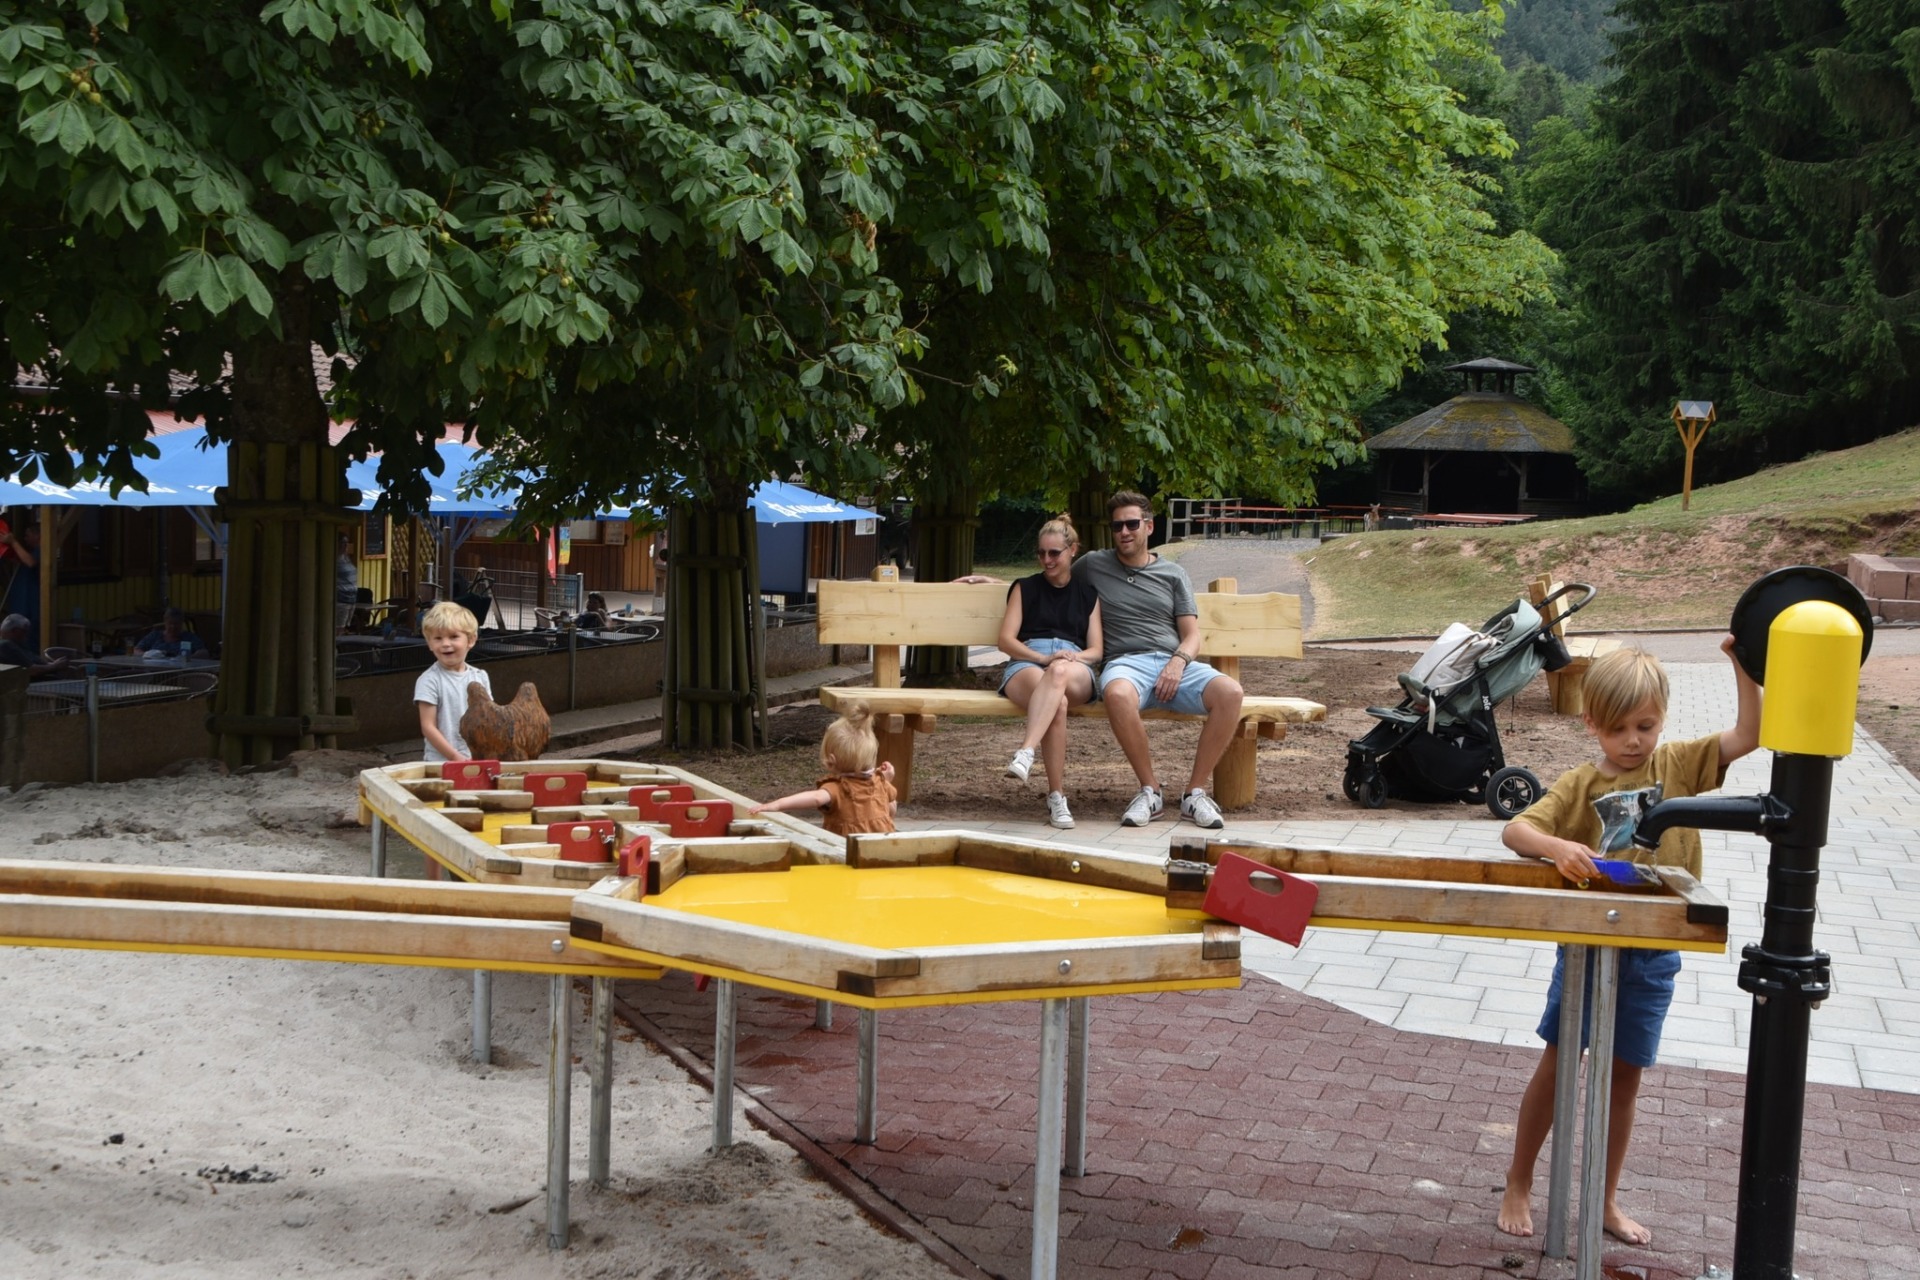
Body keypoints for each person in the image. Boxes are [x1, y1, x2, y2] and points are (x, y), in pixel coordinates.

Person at [1496, 638, 1761, 1246]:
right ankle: (1519, 1179)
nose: (1634, 740)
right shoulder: (1579, 782)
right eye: (1619, 729)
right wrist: (1558, 846)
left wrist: (1742, 665)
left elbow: (1750, 733)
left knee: (1625, 1078)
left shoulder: (1679, 765)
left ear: (1662, 718)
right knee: (1561, 1061)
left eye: (1645, 725)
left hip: (1653, 954)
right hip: (1589, 948)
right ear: (1592, 724)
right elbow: (1517, 828)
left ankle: (1606, 1198)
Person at [1070, 490, 1244, 829]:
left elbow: (1192, 635)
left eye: (1132, 524)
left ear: (1148, 527)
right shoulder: (1093, 565)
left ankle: (1194, 794)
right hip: (1124, 663)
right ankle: (1150, 791)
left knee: (1231, 693)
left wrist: (1177, 663)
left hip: (1173, 661)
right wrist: (989, 581)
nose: (1124, 532)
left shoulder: (1173, 573)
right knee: (1117, 694)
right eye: (1117, 526)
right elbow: (1052, 577)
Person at [992, 514, 1103, 830]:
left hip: (1074, 664)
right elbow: (1005, 640)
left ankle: (1026, 751)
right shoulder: (1024, 588)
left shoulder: (1088, 594)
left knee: (1058, 675)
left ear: (1072, 551)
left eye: (1054, 553)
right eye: (1041, 553)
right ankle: (1057, 797)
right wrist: (1043, 657)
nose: (1046, 559)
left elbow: (1096, 650)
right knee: (1058, 703)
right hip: (1028, 661)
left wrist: (1070, 658)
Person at [749, 701, 898, 835]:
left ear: (831, 760)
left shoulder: (837, 788)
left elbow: (815, 798)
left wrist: (776, 805)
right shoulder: (880, 782)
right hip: (883, 849)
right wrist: (887, 782)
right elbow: (891, 811)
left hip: (846, 852)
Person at [414, 600, 492, 763]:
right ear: (430, 643)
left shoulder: (480, 676)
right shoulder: (429, 681)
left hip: (477, 757)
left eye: (454, 636)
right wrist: (454, 757)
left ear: (470, 639)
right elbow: (428, 727)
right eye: (438, 638)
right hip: (441, 762)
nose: (446, 644)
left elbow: (489, 717)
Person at [0, 519, 44, 648]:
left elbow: (30, 562)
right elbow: (20, 560)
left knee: (30, 639)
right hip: (22, 606)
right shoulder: (30, 552)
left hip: (31, 606)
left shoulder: (42, 551)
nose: (25, 539)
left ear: (38, 536)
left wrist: (13, 542)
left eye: (27, 535)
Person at [0, 612, 69, 678]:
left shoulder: (17, 644)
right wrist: (55, 666)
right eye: (24, 631)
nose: (26, 634)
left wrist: (55, 664)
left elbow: (31, 663)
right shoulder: (5, 645)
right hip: (36, 685)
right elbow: (32, 670)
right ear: (15, 630)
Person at [133, 607, 210, 660]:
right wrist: (148, 655)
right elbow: (136, 650)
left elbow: (204, 653)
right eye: (170, 623)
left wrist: (189, 658)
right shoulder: (155, 635)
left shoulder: (189, 638)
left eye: (176, 624)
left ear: (181, 623)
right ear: (165, 622)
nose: (173, 627)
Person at [336, 535, 359, 634]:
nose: (345, 545)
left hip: (351, 599)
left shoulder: (346, 558)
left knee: (345, 627)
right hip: (340, 599)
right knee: (338, 628)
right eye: (342, 542)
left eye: (346, 543)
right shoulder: (334, 559)